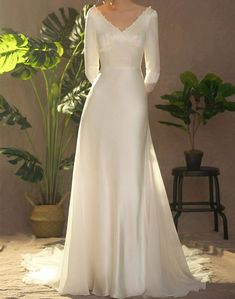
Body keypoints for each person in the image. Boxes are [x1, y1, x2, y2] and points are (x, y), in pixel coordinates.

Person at [21, 0, 212, 297]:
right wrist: (114, 88)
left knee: (130, 180)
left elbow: (154, 70)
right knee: (102, 180)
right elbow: (90, 69)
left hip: (133, 101)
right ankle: (101, 268)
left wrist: (132, 90)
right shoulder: (94, 15)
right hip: (101, 103)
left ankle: (130, 270)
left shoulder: (149, 16)